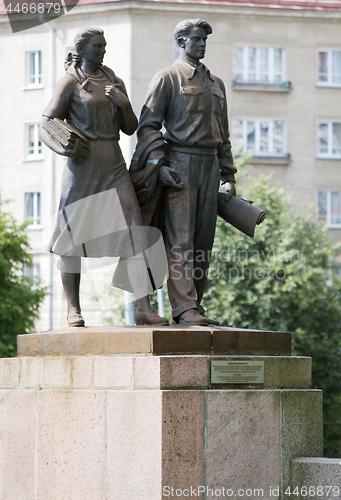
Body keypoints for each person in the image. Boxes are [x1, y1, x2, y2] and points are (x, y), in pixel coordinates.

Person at [39, 27, 168, 327]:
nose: (103, 51)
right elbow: (46, 121)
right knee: (69, 237)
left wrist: (123, 104)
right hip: (81, 166)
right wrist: (64, 145)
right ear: (82, 49)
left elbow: (131, 127)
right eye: (98, 46)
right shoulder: (70, 82)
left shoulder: (114, 80)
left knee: (136, 230)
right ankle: (73, 309)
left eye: (105, 46)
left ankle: (143, 308)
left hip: (112, 163)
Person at [131, 19, 237, 326]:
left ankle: (194, 306)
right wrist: (160, 166)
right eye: (196, 39)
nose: (202, 44)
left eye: (205, 39)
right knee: (181, 240)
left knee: (204, 241)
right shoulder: (167, 78)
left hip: (210, 165)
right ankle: (184, 306)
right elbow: (148, 127)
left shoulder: (216, 83)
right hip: (180, 163)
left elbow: (224, 135)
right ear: (181, 42)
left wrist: (228, 177)